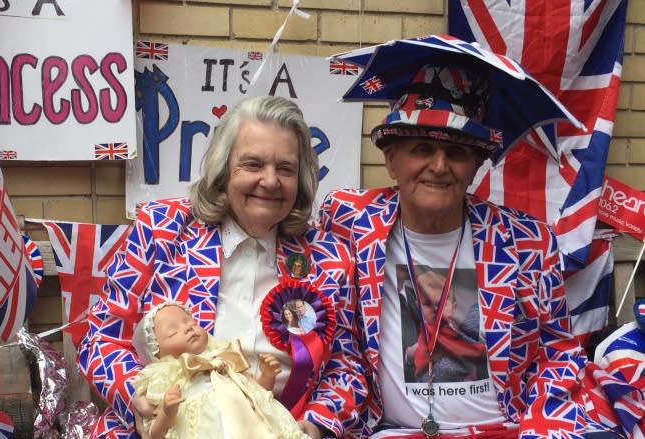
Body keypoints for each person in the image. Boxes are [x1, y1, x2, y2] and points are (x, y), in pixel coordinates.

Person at [319, 63, 632, 438]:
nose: (439, 166)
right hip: (390, 431)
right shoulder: (349, 222)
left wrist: (542, 430)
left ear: (477, 165)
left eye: (456, 151)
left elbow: (558, 354)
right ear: (391, 160)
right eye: (422, 148)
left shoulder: (528, 241)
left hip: (505, 429)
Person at [78, 95, 367, 438]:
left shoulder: (326, 256)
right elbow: (100, 337)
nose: (271, 181)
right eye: (253, 164)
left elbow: (346, 364)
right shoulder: (163, 229)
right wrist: (137, 397)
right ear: (223, 168)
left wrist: (317, 424)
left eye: (285, 168)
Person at [131, 302, 310, 439]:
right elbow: (154, 433)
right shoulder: (165, 379)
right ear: (156, 353)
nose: (187, 328)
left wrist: (267, 376)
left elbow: (258, 396)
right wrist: (167, 413)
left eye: (190, 322)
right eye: (172, 333)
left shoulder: (224, 360)